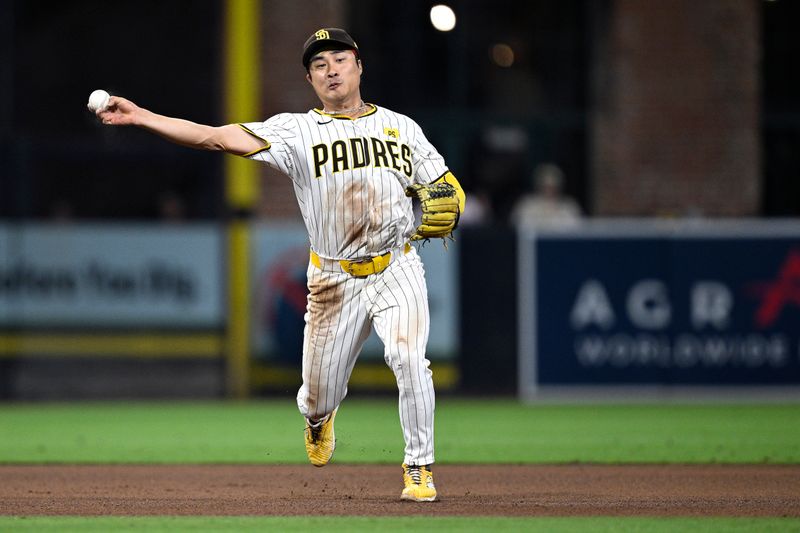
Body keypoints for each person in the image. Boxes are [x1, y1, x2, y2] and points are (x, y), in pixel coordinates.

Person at [95, 28, 464, 503]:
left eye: (338, 59)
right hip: (334, 278)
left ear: (358, 64)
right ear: (310, 79)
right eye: (318, 65)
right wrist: (143, 116)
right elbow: (214, 137)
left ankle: (419, 468)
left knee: (410, 359)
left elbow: (445, 187)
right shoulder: (297, 131)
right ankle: (318, 419)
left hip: (397, 266)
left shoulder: (403, 128)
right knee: (318, 393)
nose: (330, 70)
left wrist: (450, 201)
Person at [510, 163, 582, 230]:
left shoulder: (569, 207)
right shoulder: (527, 205)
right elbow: (518, 225)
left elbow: (576, 230)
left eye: (553, 187)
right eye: (546, 187)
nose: (549, 191)